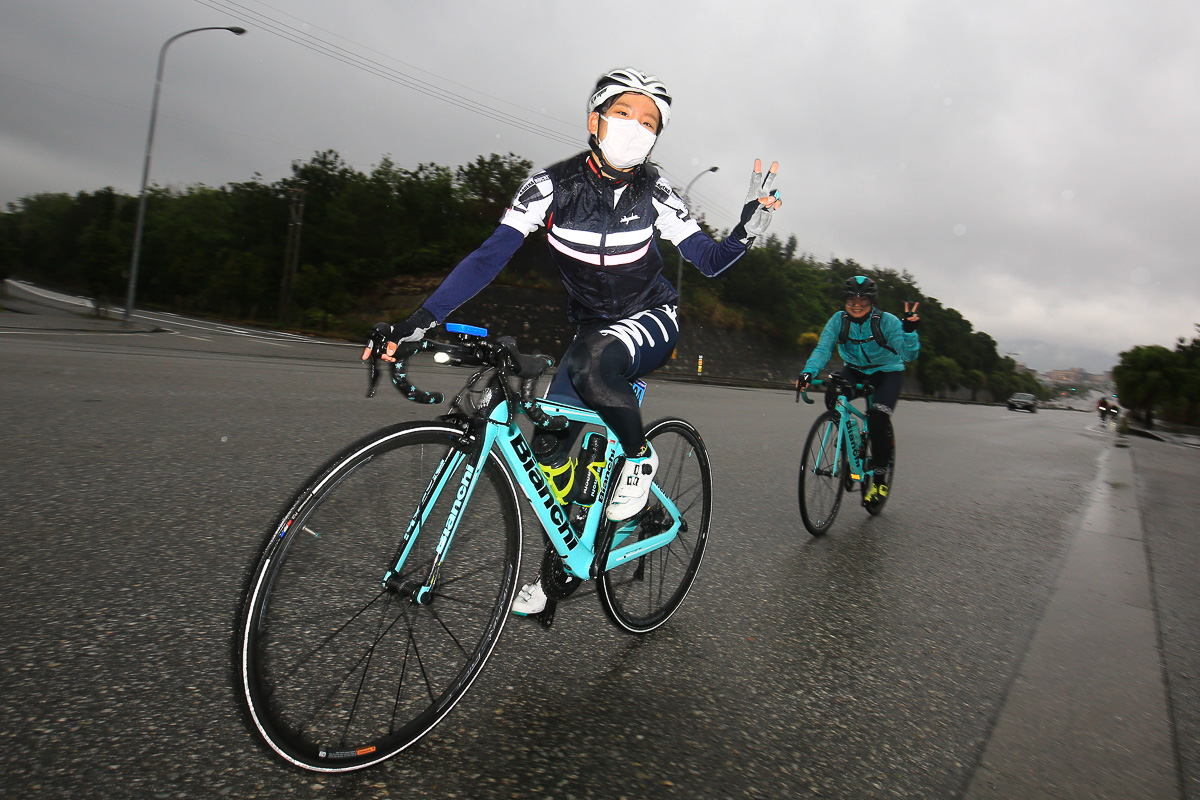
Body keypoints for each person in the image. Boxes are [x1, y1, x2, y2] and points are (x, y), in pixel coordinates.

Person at [362, 67, 782, 615]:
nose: (636, 127)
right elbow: (489, 256)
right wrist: (416, 321)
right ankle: (568, 562)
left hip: (651, 315)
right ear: (595, 119)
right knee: (551, 451)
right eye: (624, 113)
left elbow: (708, 259)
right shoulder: (551, 187)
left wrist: (747, 227)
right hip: (591, 326)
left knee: (592, 365)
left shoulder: (656, 193)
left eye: (650, 122)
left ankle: (638, 460)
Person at [795, 276, 920, 503]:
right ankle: (851, 446)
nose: (857, 304)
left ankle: (880, 481)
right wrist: (808, 372)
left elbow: (909, 355)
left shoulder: (887, 322)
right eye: (852, 299)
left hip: (887, 372)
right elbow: (823, 348)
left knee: (878, 420)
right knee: (833, 398)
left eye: (863, 300)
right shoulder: (838, 320)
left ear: (872, 302)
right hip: (854, 369)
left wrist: (909, 332)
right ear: (845, 300)